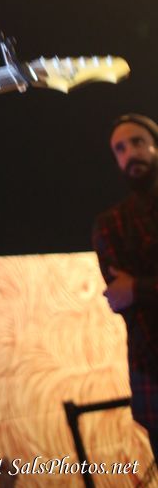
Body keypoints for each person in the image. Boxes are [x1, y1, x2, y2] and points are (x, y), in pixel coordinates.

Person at [93, 113, 158, 461]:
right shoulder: (111, 223)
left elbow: (131, 292)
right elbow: (120, 297)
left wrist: (140, 287)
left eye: (137, 142)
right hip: (151, 368)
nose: (130, 153)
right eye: (120, 148)